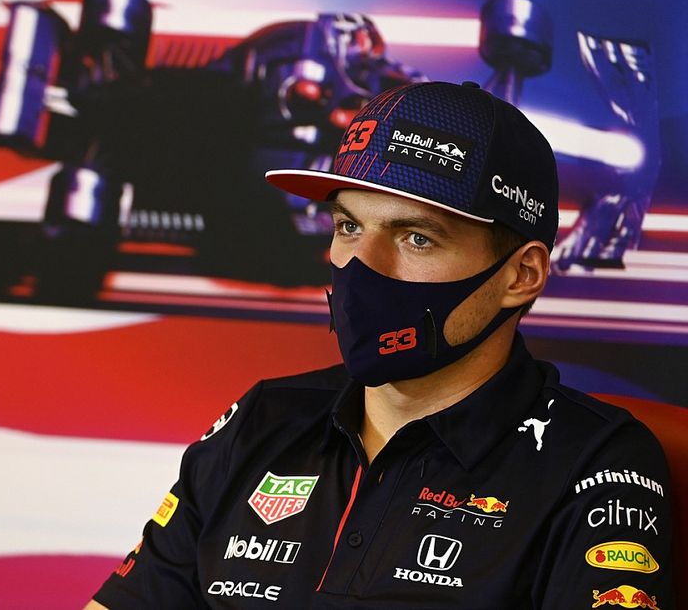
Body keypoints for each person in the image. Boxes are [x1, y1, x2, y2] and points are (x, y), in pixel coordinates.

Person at [85, 81, 674, 608]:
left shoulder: (594, 463)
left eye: (416, 237)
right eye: (348, 227)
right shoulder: (263, 419)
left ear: (520, 275)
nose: (360, 267)